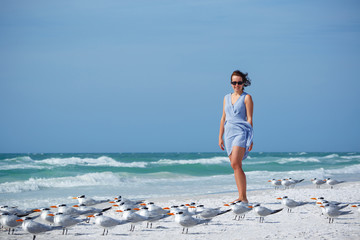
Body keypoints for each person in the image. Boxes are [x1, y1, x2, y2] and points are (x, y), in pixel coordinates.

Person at [218, 70, 254, 203]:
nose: (236, 85)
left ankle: (243, 197)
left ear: (244, 83)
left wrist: (250, 138)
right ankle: (241, 196)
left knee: (236, 163)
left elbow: (249, 119)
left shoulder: (247, 98)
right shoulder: (226, 97)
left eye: (239, 82)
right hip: (228, 133)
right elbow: (223, 118)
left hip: (241, 132)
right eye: (234, 82)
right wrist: (220, 136)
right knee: (235, 166)